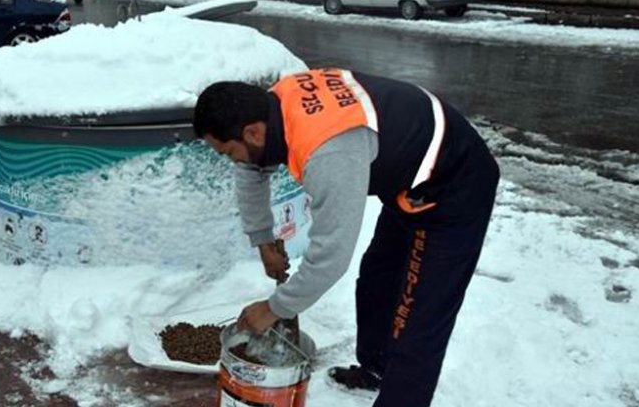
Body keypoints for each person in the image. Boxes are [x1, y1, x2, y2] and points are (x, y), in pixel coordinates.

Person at [193, 68, 499, 407]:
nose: (230, 160)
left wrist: (275, 308)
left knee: (416, 319)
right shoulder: (273, 104)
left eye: (227, 151)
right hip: (409, 179)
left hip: (455, 184)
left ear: (251, 132)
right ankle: (376, 370)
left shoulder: (329, 152)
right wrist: (263, 240)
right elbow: (249, 168)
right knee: (377, 278)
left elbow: (330, 258)